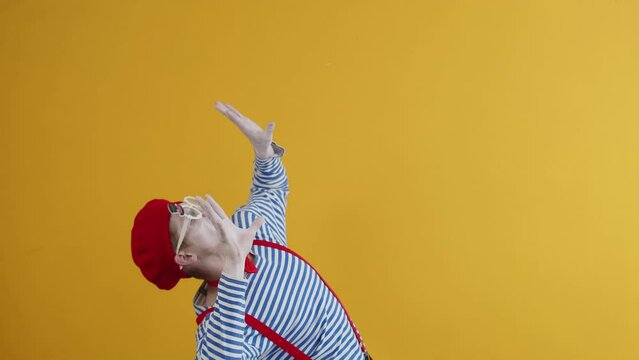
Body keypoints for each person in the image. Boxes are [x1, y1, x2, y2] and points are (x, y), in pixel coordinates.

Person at [131, 101, 372, 359]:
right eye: (189, 217)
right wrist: (233, 271)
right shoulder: (217, 327)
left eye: (187, 205)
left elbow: (271, 190)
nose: (200, 211)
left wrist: (263, 152)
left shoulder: (249, 229)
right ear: (185, 256)